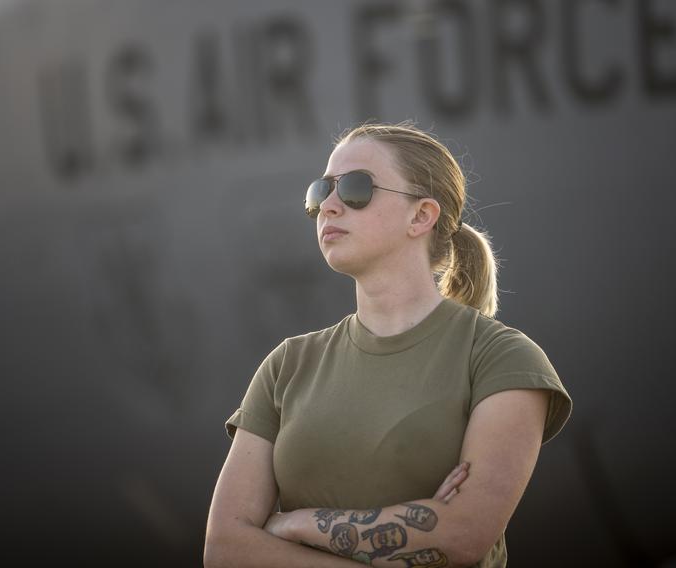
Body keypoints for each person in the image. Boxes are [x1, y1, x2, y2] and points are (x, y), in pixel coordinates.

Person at [203, 121, 573, 568]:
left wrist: (297, 525)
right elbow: (225, 548)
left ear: (421, 216)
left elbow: (464, 534)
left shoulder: (501, 360)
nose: (330, 207)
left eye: (356, 189)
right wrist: (414, 528)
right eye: (322, 191)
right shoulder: (288, 365)